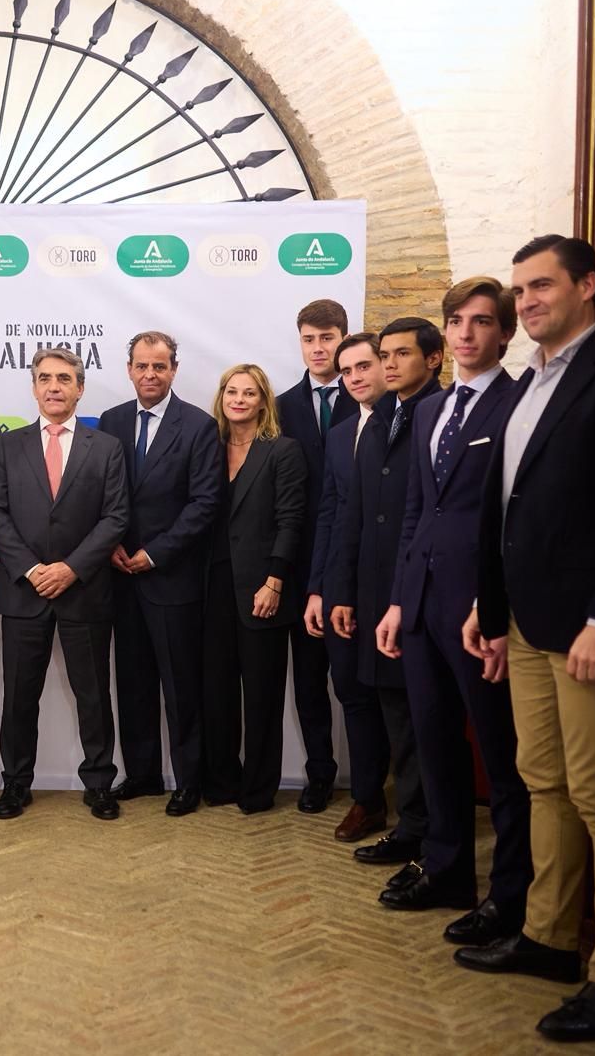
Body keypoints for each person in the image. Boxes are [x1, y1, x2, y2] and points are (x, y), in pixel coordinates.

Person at [456, 236, 595, 1044]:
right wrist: (490, 604)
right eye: (521, 289)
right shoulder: (527, 387)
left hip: (591, 635)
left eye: (542, 284)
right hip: (527, 626)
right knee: (542, 781)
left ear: (588, 285)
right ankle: (549, 939)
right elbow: (506, 509)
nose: (529, 300)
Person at [374, 280, 531, 937]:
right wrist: (397, 600)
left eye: (481, 322)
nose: (465, 333)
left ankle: (512, 894)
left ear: (504, 333)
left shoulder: (518, 405)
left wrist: (495, 609)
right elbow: (416, 510)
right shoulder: (431, 410)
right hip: (422, 606)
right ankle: (445, 869)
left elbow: (514, 517)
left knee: (500, 756)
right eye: (456, 321)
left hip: (479, 611)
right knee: (435, 741)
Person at [0, 348, 128, 821]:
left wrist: (70, 568)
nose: (53, 386)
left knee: (93, 695)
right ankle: (15, 785)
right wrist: (30, 568)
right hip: (24, 591)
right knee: (20, 696)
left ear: (80, 388)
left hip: (83, 590)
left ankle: (100, 783)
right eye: (44, 378)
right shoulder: (6, 446)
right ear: (33, 387)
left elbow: (115, 517)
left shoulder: (104, 447)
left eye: (64, 378)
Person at [328, 317, 442, 882]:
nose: (389, 365)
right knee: (397, 716)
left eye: (397, 355)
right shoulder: (373, 426)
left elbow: (424, 522)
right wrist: (342, 591)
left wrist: (399, 596)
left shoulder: (440, 414)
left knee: (424, 723)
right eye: (385, 355)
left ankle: (430, 838)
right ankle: (412, 828)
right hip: (372, 596)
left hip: (419, 594)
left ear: (434, 358)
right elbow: (353, 518)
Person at [99, 331, 222, 815]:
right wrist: (109, 547)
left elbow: (205, 503)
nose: (150, 375)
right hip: (118, 577)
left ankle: (189, 780)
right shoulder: (110, 421)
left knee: (180, 686)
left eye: (160, 367)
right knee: (131, 683)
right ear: (129, 369)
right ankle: (144, 774)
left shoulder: (197, 425)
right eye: (142, 366)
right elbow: (99, 492)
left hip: (171, 577)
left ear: (174, 370)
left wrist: (153, 554)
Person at [201, 364, 306, 814]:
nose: (239, 399)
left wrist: (275, 581)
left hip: (262, 587)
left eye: (249, 392)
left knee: (262, 693)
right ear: (222, 397)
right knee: (217, 691)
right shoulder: (209, 447)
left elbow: (291, 519)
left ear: (263, 401)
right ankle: (222, 780)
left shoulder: (283, 450)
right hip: (212, 586)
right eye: (232, 391)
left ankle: (259, 788)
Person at [304, 333, 394, 843]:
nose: (356, 377)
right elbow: (330, 514)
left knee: (396, 702)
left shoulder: (406, 422)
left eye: (365, 366)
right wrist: (319, 589)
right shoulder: (340, 434)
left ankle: (416, 807)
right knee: (353, 696)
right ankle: (367, 800)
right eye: (348, 371)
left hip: (389, 591)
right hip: (341, 589)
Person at [275, 300, 357, 812]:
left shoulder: (370, 398)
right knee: (308, 686)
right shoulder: (282, 406)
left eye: (327, 337)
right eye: (309, 338)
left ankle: (369, 786)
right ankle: (320, 775)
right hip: (300, 568)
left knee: (355, 686)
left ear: (344, 338)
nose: (318, 348)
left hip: (351, 569)